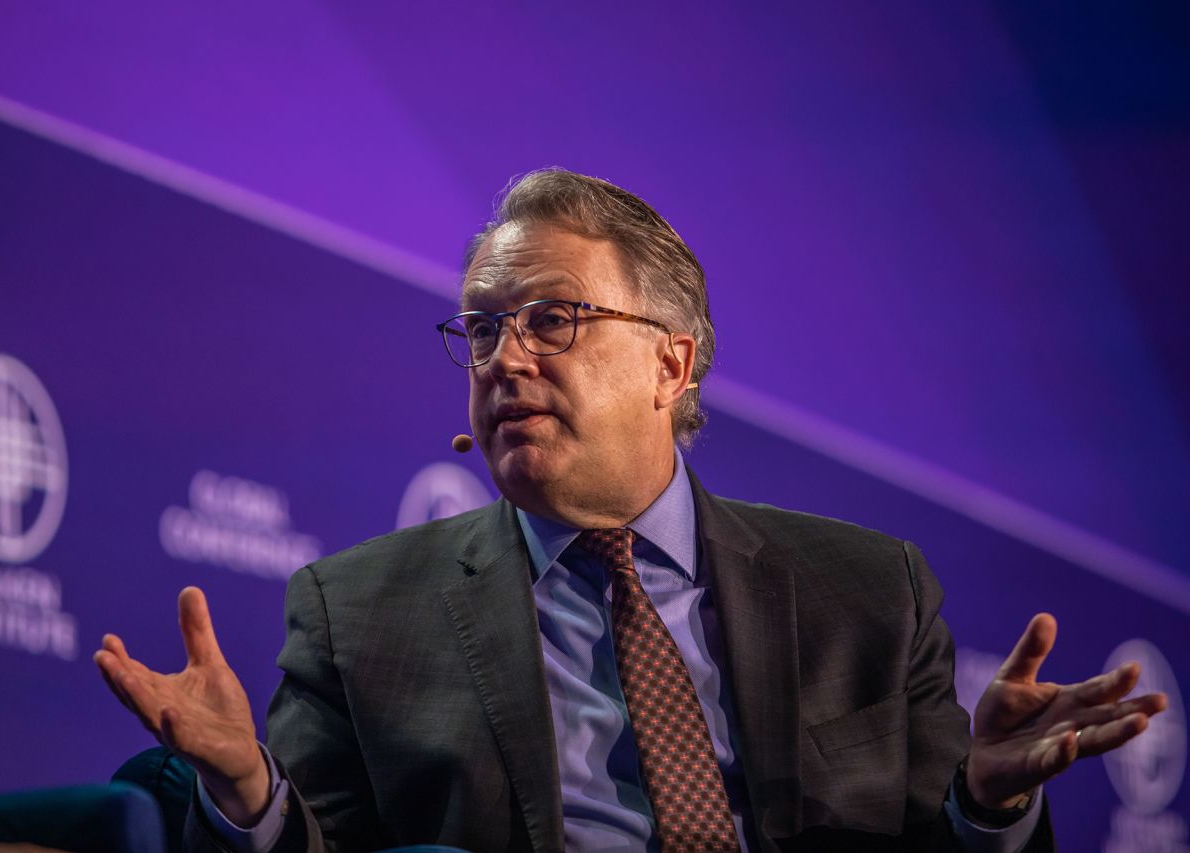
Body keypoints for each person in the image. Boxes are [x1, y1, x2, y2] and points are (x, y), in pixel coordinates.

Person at [95, 169, 1167, 852]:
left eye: (551, 319)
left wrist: (985, 806)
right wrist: (246, 791)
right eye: (479, 330)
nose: (504, 357)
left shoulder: (868, 594)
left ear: (670, 362)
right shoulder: (360, 609)